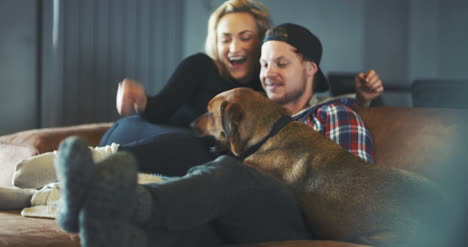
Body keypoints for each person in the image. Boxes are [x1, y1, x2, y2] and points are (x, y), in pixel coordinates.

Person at [53, 22, 378, 246]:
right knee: (197, 220)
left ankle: (118, 200)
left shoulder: (335, 113)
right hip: (245, 214)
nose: (269, 74)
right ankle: (98, 217)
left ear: (310, 69)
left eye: (281, 63)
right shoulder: (254, 120)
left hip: (298, 218)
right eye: (264, 65)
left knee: (230, 172)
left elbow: (357, 192)